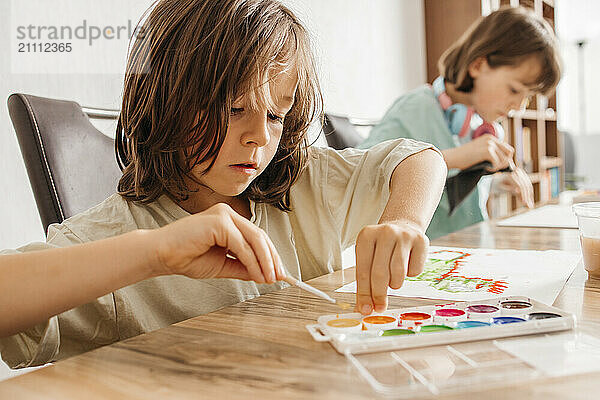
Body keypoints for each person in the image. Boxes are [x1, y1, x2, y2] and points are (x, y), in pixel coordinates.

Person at [0, 0, 446, 368]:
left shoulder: (298, 183)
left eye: (276, 114)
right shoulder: (112, 242)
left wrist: (405, 219)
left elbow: (419, 158)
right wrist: (153, 253)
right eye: (234, 109)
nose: (259, 136)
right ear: (164, 100)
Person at [359, 6, 561, 239]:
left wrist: (497, 183)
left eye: (528, 96)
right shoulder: (415, 109)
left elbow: (450, 197)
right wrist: (455, 157)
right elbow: (360, 176)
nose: (519, 106)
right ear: (477, 65)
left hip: (469, 248)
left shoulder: (485, 127)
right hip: (424, 256)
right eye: (514, 89)